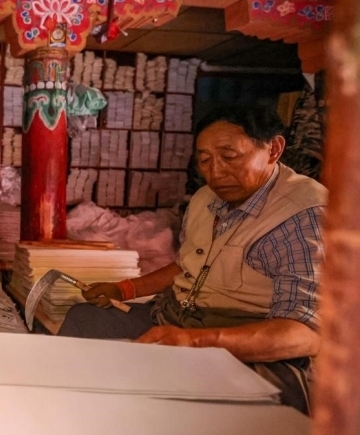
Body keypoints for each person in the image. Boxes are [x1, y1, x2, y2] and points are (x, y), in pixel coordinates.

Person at [57, 104, 326, 414]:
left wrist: (195, 342)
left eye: (229, 156)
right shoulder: (206, 199)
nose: (215, 173)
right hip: (175, 318)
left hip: (246, 345)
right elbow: (189, 266)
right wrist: (124, 289)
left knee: (158, 394)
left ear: (273, 149)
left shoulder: (303, 215)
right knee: (84, 320)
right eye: (205, 160)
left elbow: (305, 335)